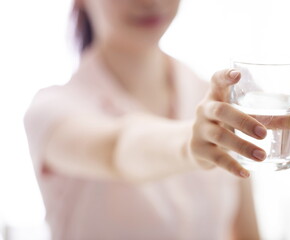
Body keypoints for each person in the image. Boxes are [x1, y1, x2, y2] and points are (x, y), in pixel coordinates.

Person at [24, 0, 268, 239]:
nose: (151, 2)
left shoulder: (216, 100)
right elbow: (117, 150)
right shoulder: (52, 110)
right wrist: (190, 144)